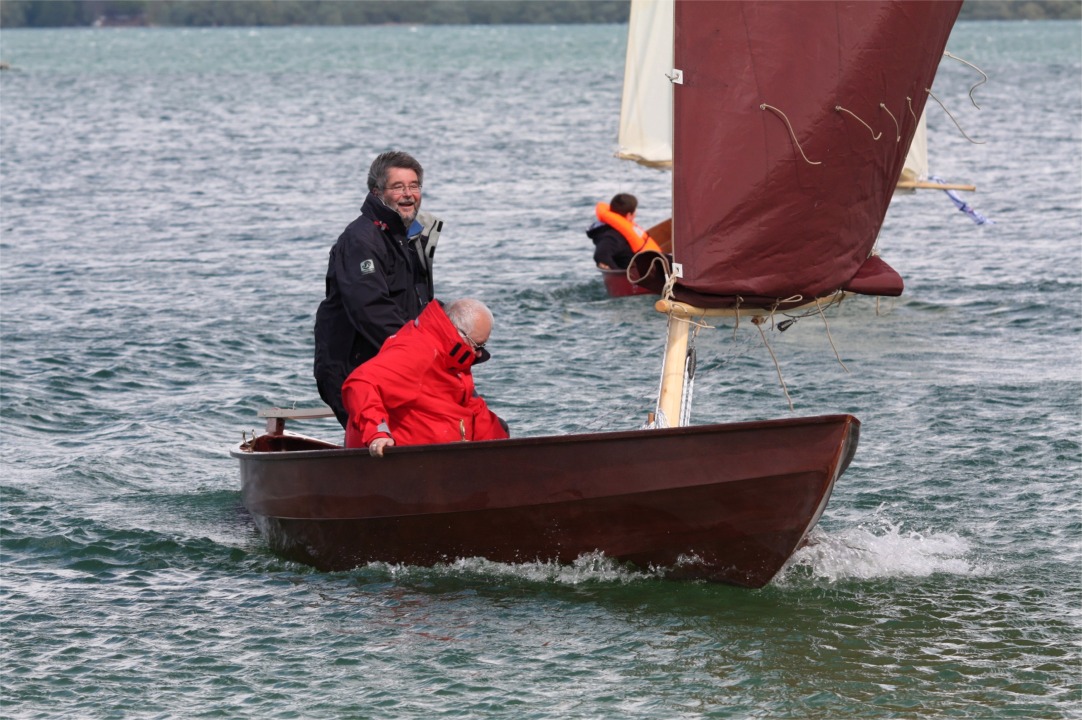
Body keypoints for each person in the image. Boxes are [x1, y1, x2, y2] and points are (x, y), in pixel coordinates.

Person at [314, 150, 441, 428]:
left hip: (396, 362)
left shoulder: (406, 237)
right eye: (398, 187)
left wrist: (449, 335)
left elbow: (418, 303)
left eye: (414, 186)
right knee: (385, 439)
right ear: (376, 191)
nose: (408, 194)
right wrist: (419, 352)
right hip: (355, 368)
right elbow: (369, 308)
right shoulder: (360, 240)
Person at [342, 298, 510, 457]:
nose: (479, 353)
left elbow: (472, 408)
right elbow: (360, 383)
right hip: (407, 464)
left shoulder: (453, 357)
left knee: (499, 427)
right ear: (460, 334)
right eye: (478, 345)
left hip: (441, 461)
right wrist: (377, 433)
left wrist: (508, 453)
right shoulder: (417, 352)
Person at [586, 193, 662, 270]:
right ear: (629, 215)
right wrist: (618, 273)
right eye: (635, 211)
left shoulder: (619, 230)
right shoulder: (612, 237)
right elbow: (601, 255)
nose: (635, 214)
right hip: (634, 275)